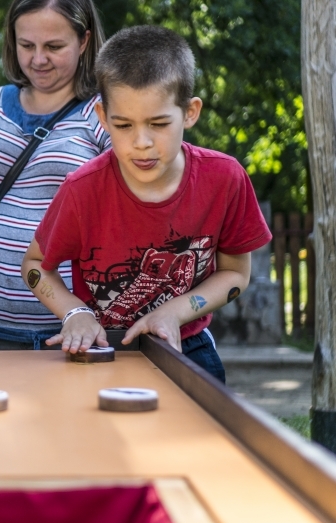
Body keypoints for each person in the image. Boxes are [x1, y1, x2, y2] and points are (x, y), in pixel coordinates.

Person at [22, 25, 273, 383]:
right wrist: (74, 313)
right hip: (99, 346)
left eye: (158, 123)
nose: (141, 142)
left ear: (190, 112)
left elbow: (235, 273)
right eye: (123, 125)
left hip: (188, 342)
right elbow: (35, 265)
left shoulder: (225, 179)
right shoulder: (81, 190)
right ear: (103, 118)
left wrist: (174, 312)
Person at [0, 0, 109, 350]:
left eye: (54, 47)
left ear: (84, 41)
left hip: (70, 331)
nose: (38, 60)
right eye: (26, 45)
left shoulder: (106, 114)